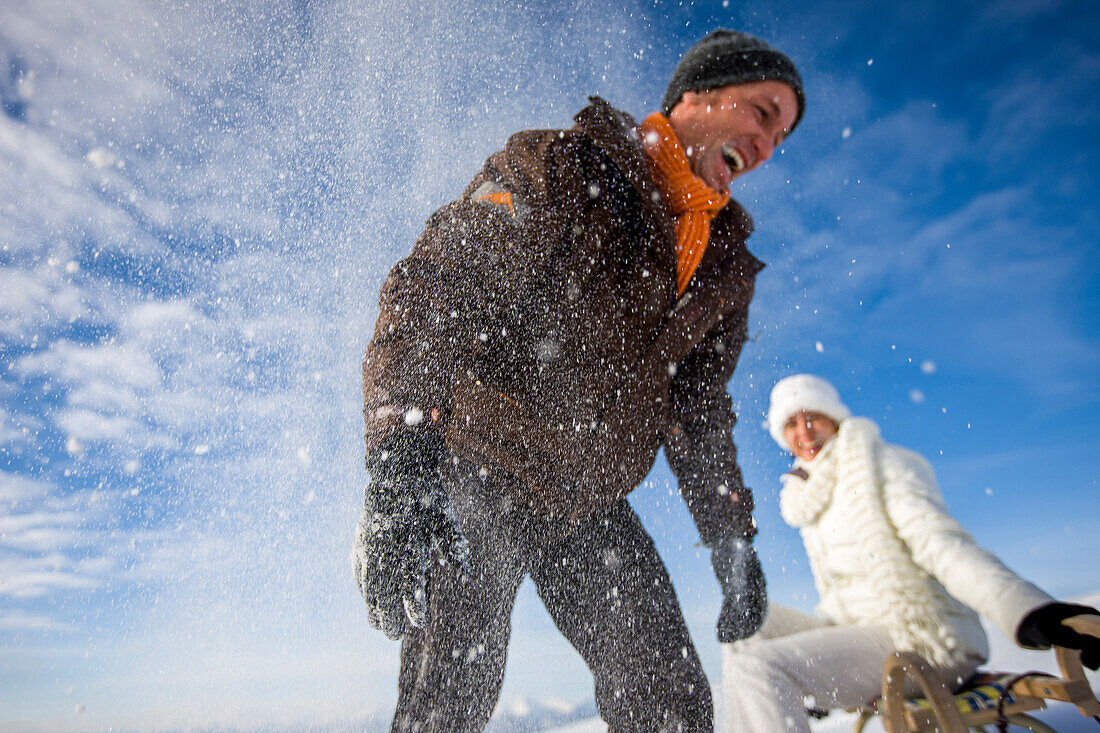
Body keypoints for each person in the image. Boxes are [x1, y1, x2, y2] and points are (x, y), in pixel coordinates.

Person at [353, 29, 805, 732]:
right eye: (765, 112)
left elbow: (699, 413)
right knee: (450, 694)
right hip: (483, 467)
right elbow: (437, 285)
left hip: (588, 503)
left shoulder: (721, 266)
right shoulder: (565, 165)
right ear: (698, 94)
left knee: (672, 701)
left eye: (783, 135)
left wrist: (731, 539)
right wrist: (400, 456)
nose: (770, 145)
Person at [720, 373, 1100, 732]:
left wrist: (1031, 610)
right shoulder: (808, 494)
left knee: (759, 666)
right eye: (791, 424)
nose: (804, 431)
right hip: (857, 631)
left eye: (813, 417)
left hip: (921, 638)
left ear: (834, 419)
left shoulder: (878, 465)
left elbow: (942, 544)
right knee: (746, 621)